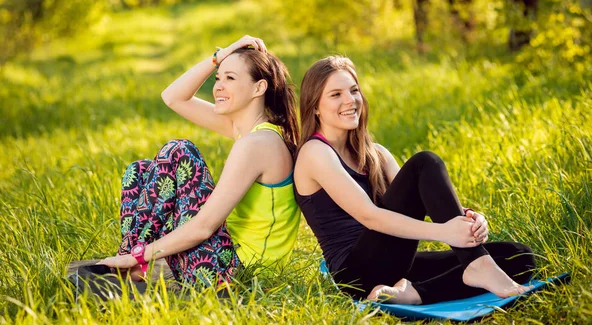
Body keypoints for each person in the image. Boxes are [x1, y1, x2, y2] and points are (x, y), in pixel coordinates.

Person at [293, 56, 536, 305]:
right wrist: (445, 233)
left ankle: (417, 293)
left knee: (518, 256)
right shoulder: (315, 152)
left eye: (354, 90)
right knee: (424, 163)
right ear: (315, 107)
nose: (349, 100)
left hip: (393, 264)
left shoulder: (374, 153)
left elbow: (426, 197)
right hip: (356, 275)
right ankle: (478, 265)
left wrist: (469, 220)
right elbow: (370, 216)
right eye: (335, 94)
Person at [98, 36, 301, 288]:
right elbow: (173, 97)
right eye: (218, 77)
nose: (218, 87)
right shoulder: (248, 131)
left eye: (230, 78)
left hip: (238, 272)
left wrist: (141, 253)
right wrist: (220, 56)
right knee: (140, 171)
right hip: (220, 257)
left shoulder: (258, 144)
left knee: (180, 150)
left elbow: (203, 227)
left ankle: (133, 258)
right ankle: (133, 261)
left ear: (259, 88)